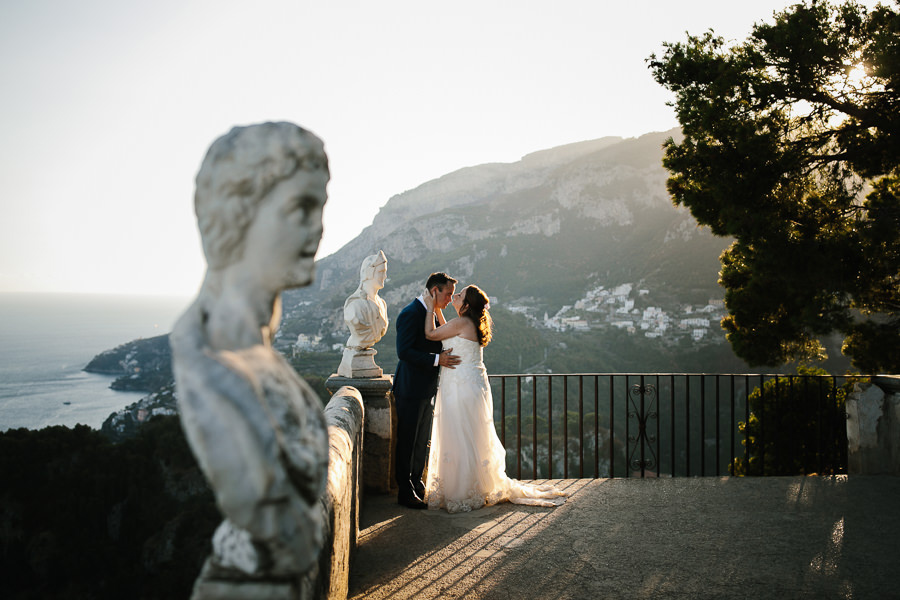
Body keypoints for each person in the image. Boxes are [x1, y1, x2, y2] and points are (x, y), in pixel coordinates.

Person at [170, 122, 330, 576]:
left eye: (320, 208)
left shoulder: (254, 348)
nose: (318, 228)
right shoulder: (210, 362)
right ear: (239, 211)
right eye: (300, 207)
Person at [423, 284, 568, 513]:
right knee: (469, 434)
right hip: (470, 384)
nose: (455, 297)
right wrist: (439, 311)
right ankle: (474, 486)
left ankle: (462, 491)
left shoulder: (461, 323)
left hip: (460, 387)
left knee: (459, 435)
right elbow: (446, 329)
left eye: (459, 296)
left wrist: (431, 307)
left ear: (467, 304)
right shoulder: (468, 323)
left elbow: (432, 333)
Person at [392, 272, 461, 509]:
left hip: (427, 390)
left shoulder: (431, 313)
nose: (450, 299)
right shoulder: (410, 313)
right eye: (448, 294)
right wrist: (437, 360)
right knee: (408, 441)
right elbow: (404, 352)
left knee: (421, 441)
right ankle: (405, 490)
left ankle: (417, 483)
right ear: (434, 291)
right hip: (410, 389)